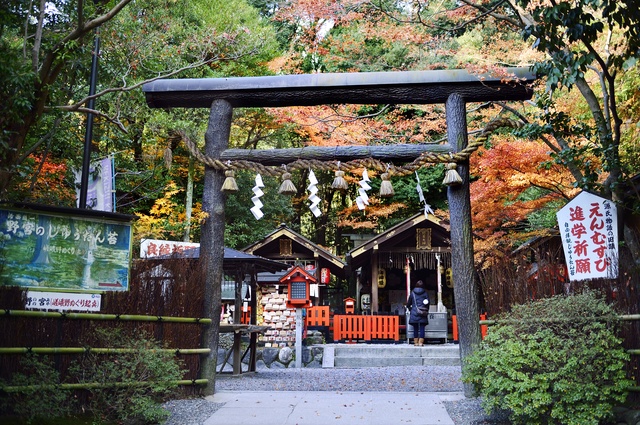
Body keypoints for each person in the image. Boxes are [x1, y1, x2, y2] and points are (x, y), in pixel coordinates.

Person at [407, 280, 430, 346]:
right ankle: (421, 342)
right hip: (423, 312)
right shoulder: (425, 293)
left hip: (414, 312)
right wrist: (426, 310)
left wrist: (411, 309)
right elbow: (428, 303)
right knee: (422, 328)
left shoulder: (412, 293)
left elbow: (408, 304)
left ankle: (416, 342)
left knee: (415, 328)